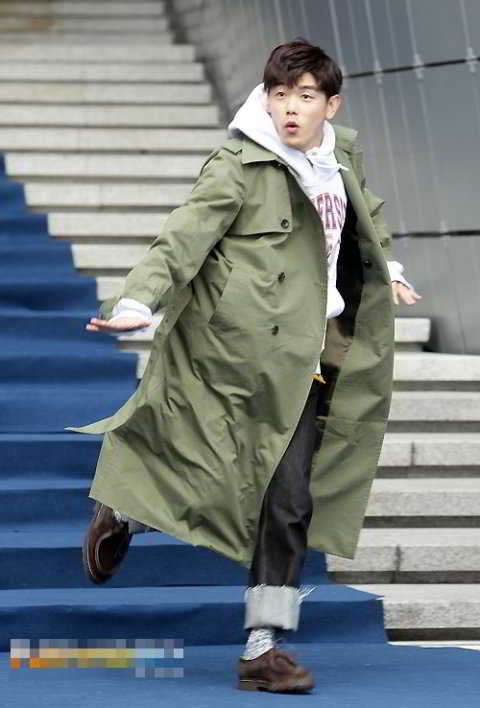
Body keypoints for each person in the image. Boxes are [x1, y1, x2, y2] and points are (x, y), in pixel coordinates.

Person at [67, 38, 421, 693]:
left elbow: (363, 217)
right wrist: (137, 301)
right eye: (279, 94)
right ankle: (125, 513)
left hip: (310, 360)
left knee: (289, 503)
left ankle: (264, 646)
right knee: (207, 474)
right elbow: (181, 239)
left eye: (305, 96)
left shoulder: (340, 157)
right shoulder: (239, 164)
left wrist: (390, 267)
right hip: (234, 355)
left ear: (331, 104)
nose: (290, 108)